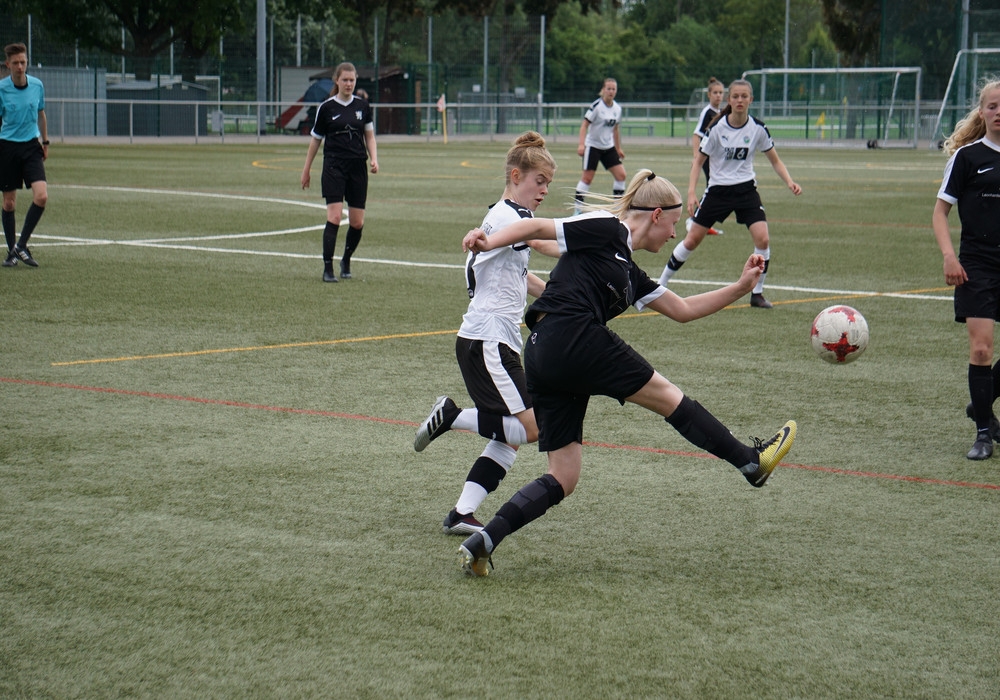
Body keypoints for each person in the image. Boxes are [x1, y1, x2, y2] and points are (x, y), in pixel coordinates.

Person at [456, 169, 797, 576]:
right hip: (572, 335)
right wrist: (488, 239)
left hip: (547, 354)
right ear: (656, 215)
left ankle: (483, 541)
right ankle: (750, 463)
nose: (674, 235)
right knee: (669, 396)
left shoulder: (630, 272)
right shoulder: (607, 227)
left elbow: (683, 311)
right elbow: (538, 225)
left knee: (563, 476)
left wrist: (741, 287)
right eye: (673, 225)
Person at [414, 131, 559, 535]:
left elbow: (516, 272)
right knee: (532, 429)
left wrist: (555, 296)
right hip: (488, 341)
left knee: (509, 438)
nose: (545, 190)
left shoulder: (503, 215)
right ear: (516, 175)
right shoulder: (512, 217)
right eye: (540, 181)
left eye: (548, 183)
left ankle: (461, 513)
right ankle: (453, 416)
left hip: (490, 339)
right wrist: (604, 237)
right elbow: (552, 244)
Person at [658, 79, 802, 308]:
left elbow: (774, 160)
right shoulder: (717, 129)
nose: (740, 100)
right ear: (729, 100)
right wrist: (692, 192)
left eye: (744, 96)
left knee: (763, 239)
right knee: (692, 239)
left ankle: (757, 293)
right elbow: (698, 162)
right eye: (735, 96)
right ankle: (661, 283)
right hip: (717, 191)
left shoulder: (758, 128)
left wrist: (789, 181)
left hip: (746, 190)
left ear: (751, 100)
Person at [932, 77, 1000, 460]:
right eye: (992, 106)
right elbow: (941, 212)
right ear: (982, 112)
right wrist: (949, 256)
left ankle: (982, 403)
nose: (998, 112)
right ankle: (983, 435)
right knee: (981, 349)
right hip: (977, 263)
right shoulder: (968, 157)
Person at [301, 62, 379, 283]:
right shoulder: (326, 108)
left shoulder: (363, 106)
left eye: (352, 80)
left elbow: (370, 137)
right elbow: (315, 140)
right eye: (344, 80)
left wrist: (374, 158)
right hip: (334, 166)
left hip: (357, 168)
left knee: (357, 223)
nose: (348, 84)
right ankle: (328, 268)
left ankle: (346, 259)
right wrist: (306, 170)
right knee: (334, 217)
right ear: (337, 80)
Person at [1, 42, 48, 268]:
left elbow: (41, 114)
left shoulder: (37, 86)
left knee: (41, 196)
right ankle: (11, 252)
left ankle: (21, 245)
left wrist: (45, 142)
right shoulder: (1, 89)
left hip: (31, 146)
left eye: (23, 62)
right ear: (8, 65)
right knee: (9, 203)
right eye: (16, 63)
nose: (20, 67)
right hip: (7, 147)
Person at [574, 78, 626, 214]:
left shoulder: (617, 109)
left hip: (608, 147)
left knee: (621, 175)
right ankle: (577, 209)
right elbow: (584, 125)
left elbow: (615, 130)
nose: (611, 91)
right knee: (587, 178)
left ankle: (618, 208)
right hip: (593, 146)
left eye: (613, 89)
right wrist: (581, 144)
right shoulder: (596, 106)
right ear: (603, 90)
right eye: (608, 88)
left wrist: (618, 148)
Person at [689, 77, 726, 237]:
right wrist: (696, 156)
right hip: (706, 157)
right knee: (715, 188)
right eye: (715, 93)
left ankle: (700, 221)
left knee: (716, 187)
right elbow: (697, 134)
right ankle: (695, 221)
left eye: (720, 93)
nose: (718, 95)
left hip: (715, 157)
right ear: (709, 95)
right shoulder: (708, 112)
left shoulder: (719, 113)